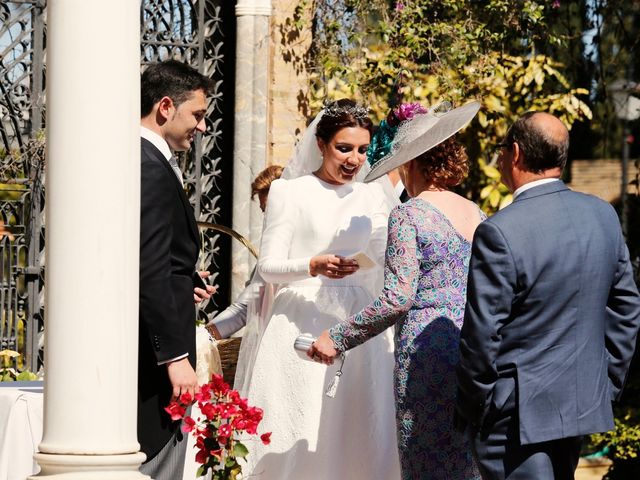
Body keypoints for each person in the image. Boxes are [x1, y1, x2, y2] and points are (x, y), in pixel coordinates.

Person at [455, 111, 640, 479]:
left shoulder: (499, 232)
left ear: (517, 154)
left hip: (515, 416)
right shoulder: (602, 215)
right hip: (578, 402)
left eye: (502, 150)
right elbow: (627, 307)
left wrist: (476, 409)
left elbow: (481, 336)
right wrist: (605, 382)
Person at [311, 101, 483, 480]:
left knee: (425, 459)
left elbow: (397, 298)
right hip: (472, 345)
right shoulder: (475, 211)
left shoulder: (409, 214)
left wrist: (338, 336)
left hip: (426, 353)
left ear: (412, 163)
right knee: (466, 461)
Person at [240, 99, 401, 479]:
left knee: (356, 429)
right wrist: (311, 265)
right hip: (301, 322)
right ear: (321, 144)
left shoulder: (372, 194)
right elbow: (267, 266)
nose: (354, 160)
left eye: (362, 150)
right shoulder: (288, 192)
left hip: (359, 324)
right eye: (344, 148)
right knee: (300, 422)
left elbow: (385, 254)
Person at [138, 59, 215, 480]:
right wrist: (175, 358)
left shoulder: (147, 159)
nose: (202, 127)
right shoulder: (149, 166)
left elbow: (159, 261)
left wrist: (185, 280)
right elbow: (147, 269)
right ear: (165, 106)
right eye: (197, 115)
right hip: (154, 362)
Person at [206, 164, 284, 341]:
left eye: (273, 211)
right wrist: (203, 338)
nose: (269, 219)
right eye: (265, 212)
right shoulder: (272, 251)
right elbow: (245, 307)